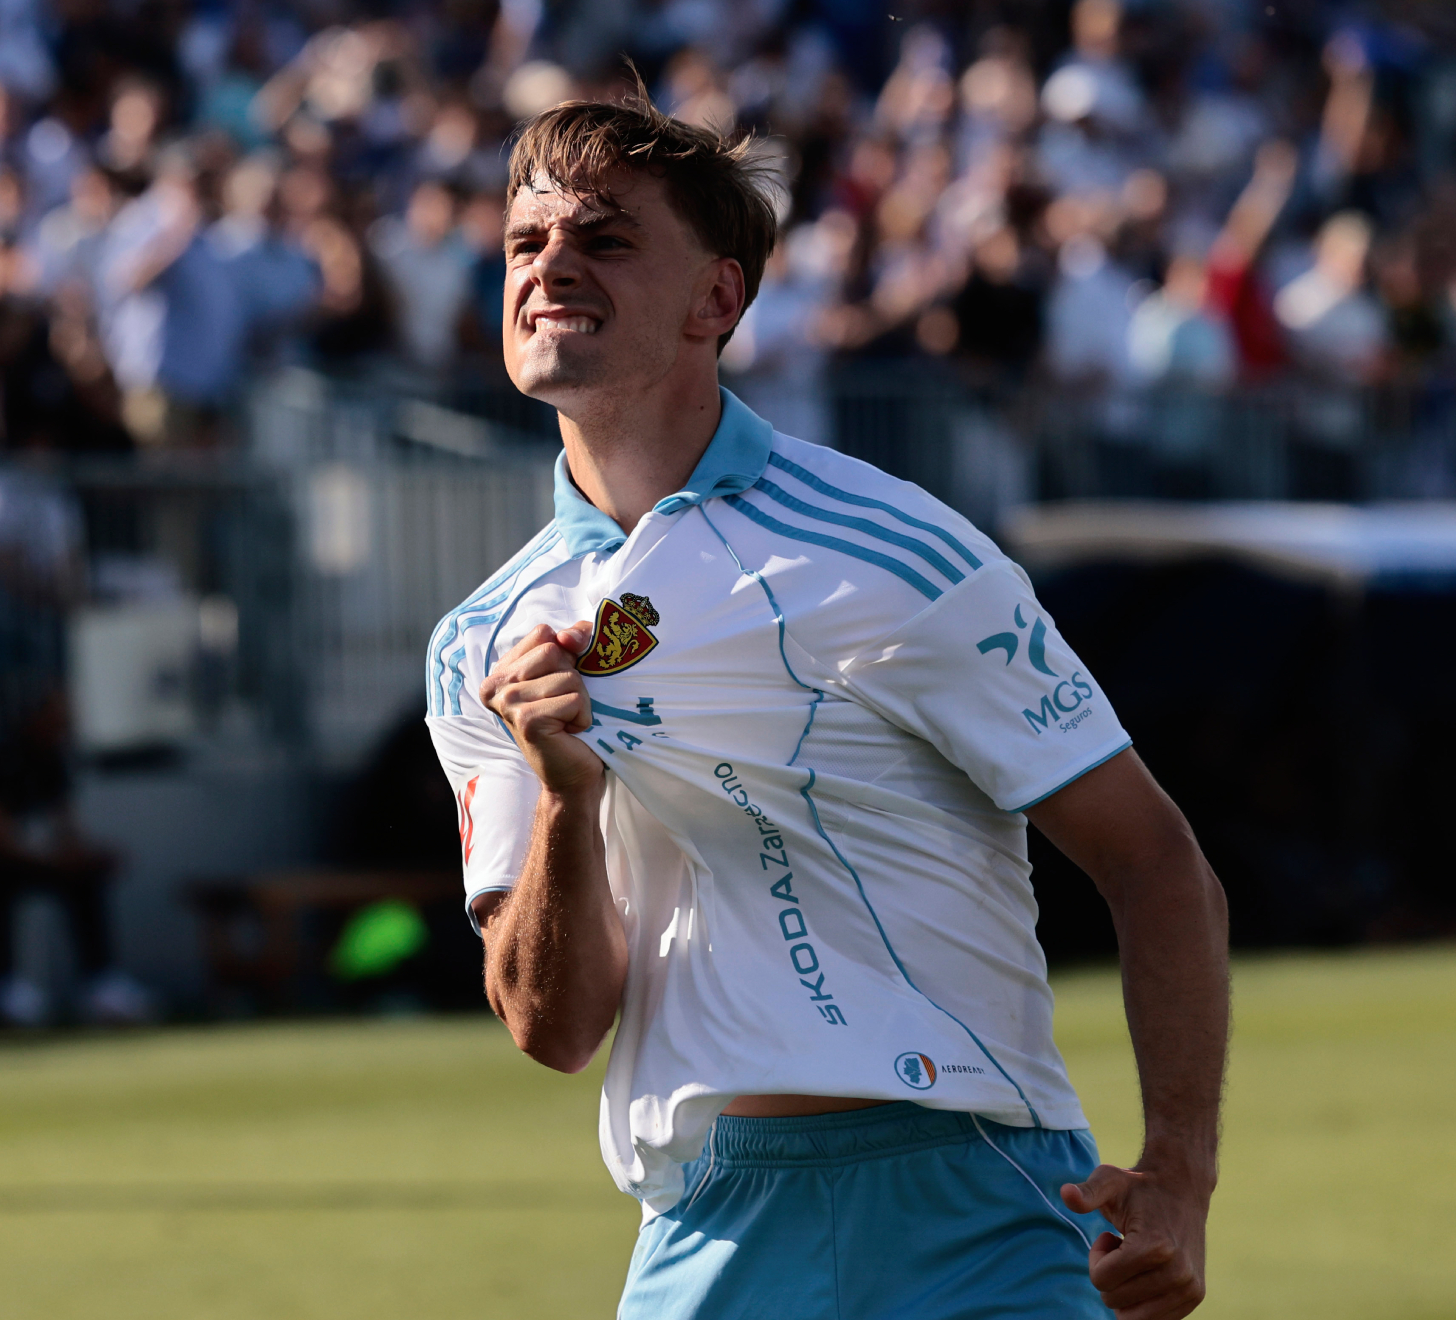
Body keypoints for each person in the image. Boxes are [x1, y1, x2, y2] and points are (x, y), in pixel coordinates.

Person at [425, 89, 1227, 1320]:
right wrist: (563, 791)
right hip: (706, 1225)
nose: (551, 268)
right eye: (526, 244)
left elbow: (1155, 860)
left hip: (980, 1195)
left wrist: (1177, 1173)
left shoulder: (891, 551)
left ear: (719, 300)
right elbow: (553, 1024)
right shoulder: (480, 641)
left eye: (606, 238)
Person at [0, 689, 151, 1027]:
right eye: (58, 723)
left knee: (83, 878)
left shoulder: (53, 756)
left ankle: (101, 982)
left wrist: (84, 855)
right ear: (35, 718)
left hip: (16, 852)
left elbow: (66, 824)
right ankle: (1, 986)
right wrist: (52, 861)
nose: (64, 731)